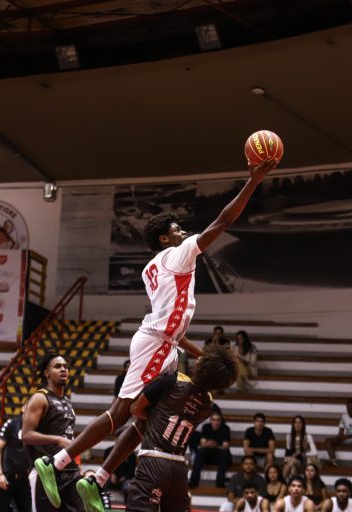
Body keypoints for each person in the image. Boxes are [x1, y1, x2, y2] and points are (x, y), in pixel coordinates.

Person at [34, 157, 277, 508]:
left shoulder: (152, 266)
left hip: (165, 344)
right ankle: (56, 462)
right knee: (120, 413)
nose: (184, 233)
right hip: (156, 345)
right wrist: (254, 180)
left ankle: (98, 478)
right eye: (178, 230)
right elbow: (224, 221)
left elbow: (173, 330)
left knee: (151, 419)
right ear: (165, 238)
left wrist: (204, 355)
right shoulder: (178, 255)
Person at [122, 344, 238, 512]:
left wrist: (157, 417)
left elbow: (135, 409)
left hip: (154, 460)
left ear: (201, 366)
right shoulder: (208, 404)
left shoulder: (172, 381)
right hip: (179, 467)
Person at [21, 351, 83, 512]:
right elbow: (26, 435)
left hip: (70, 471)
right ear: (46, 373)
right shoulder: (40, 398)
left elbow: (68, 437)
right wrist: (57, 439)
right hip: (46, 471)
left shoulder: (67, 402)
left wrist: (78, 463)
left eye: (65, 367)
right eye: (57, 366)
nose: (63, 369)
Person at [0, 415, 31, 512]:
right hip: (7, 479)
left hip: (25, 480)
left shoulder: (36, 426)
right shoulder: (12, 423)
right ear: (23, 408)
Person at [189, 411, 232, 488]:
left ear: (221, 421)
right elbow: (202, 444)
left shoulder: (225, 428)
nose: (216, 422)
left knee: (224, 453)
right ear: (211, 421)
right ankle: (193, 482)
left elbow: (225, 446)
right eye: (214, 420)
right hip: (208, 455)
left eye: (218, 420)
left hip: (220, 456)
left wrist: (216, 445)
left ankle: (220, 482)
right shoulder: (206, 427)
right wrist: (208, 444)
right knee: (200, 452)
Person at [325, 399, 352, 468]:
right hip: (347, 438)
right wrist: (340, 435)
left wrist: (346, 436)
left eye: (351, 407)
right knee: (328, 441)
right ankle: (333, 461)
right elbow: (341, 430)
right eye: (348, 407)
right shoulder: (344, 416)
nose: (349, 409)